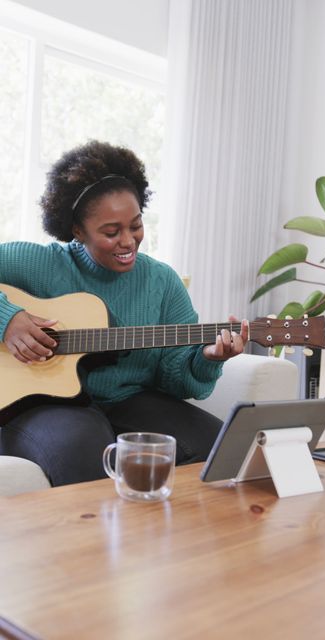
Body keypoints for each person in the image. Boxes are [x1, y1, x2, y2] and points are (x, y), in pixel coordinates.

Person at [0, 140, 248, 486]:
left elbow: (174, 378)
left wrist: (208, 357)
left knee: (222, 450)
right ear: (76, 230)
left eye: (136, 225)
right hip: (39, 404)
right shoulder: (37, 263)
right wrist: (7, 319)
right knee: (85, 449)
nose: (129, 241)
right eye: (111, 232)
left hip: (127, 400)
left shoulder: (162, 281)